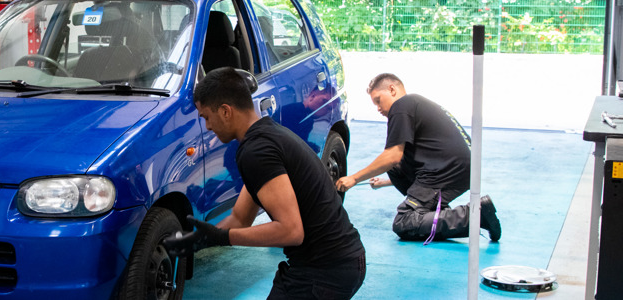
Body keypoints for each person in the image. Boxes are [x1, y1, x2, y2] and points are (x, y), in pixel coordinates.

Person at [164, 67, 366, 299]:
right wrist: (201, 239)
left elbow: (291, 231)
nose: (207, 126)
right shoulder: (265, 135)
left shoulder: (256, 151)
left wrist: (223, 238)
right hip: (338, 261)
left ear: (226, 111)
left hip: (326, 269)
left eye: (206, 117)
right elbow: (241, 218)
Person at [334, 73, 502, 243]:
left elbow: (392, 156)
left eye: (378, 100)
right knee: (394, 168)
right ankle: (434, 214)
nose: (378, 108)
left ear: (392, 90)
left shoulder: (401, 106)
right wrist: (386, 182)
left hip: (446, 169)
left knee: (404, 222)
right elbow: (402, 160)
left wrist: (353, 179)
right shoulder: (416, 104)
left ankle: (475, 216)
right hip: (458, 167)